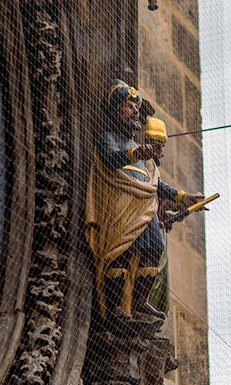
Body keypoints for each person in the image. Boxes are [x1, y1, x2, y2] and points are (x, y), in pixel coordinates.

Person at [84, 80, 203, 319]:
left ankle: (139, 301)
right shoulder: (111, 138)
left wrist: (182, 197)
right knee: (122, 250)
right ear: (116, 109)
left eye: (136, 107)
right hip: (121, 204)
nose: (135, 111)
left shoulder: (141, 148)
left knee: (154, 247)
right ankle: (116, 304)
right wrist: (136, 153)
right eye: (129, 106)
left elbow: (156, 183)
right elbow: (109, 159)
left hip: (144, 207)